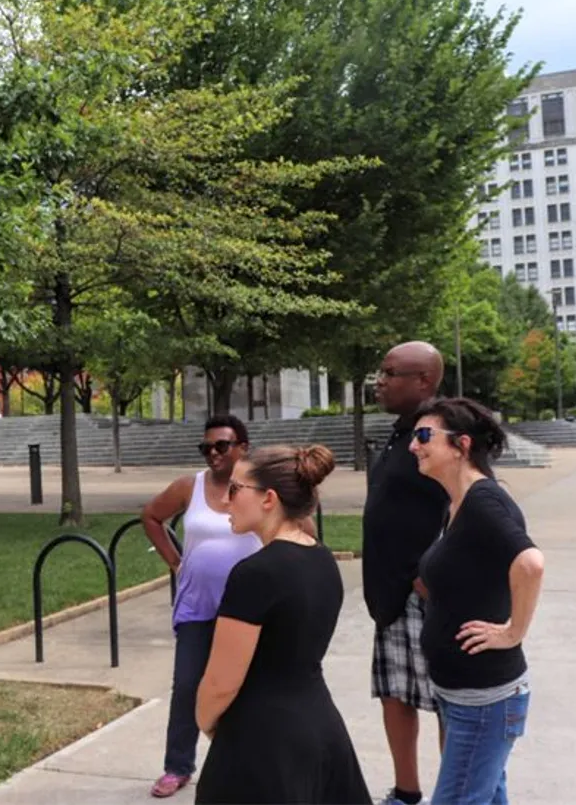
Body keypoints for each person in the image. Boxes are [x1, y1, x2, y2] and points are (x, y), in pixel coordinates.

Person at [193, 445, 370, 804]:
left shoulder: (256, 573)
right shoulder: (321, 559)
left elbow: (221, 683)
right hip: (319, 729)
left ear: (268, 498)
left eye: (235, 489)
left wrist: (205, 720)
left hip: (262, 743)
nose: (227, 501)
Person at [410, 398, 544, 804]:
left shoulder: (484, 502)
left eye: (423, 436)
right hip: (462, 694)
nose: (413, 446)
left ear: (461, 444)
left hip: (484, 699)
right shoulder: (458, 503)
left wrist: (513, 632)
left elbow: (531, 563)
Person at [142, 414, 262, 798]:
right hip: (196, 604)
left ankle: (251, 763)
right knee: (188, 685)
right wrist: (176, 561)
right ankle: (178, 766)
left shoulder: (261, 485)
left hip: (248, 608)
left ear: (242, 447)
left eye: (222, 446)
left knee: (248, 687)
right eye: (206, 447)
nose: (213, 453)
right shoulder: (187, 487)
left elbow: (299, 528)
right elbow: (151, 516)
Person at [363, 341, 450, 805]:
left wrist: (435, 570)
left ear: (424, 382)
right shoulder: (402, 433)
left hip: (425, 598)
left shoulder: (441, 432)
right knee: (395, 694)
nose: (380, 380)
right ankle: (407, 792)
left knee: (444, 703)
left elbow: (468, 498)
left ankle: (452, 795)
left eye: (391, 372)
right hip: (389, 594)